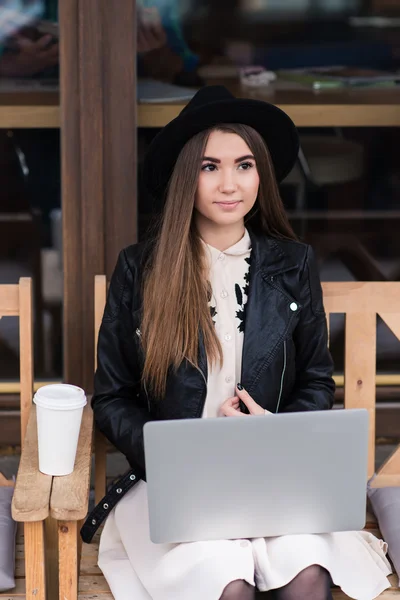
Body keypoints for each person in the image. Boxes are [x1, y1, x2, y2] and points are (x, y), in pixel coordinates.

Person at [83, 86, 392, 600]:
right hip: (174, 490)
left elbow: (317, 379)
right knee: (227, 584)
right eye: (209, 167)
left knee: (307, 575)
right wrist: (174, 454)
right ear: (187, 178)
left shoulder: (293, 265)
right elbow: (112, 397)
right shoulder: (141, 270)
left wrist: (272, 430)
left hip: (272, 482)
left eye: (244, 165)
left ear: (261, 174)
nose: (230, 183)